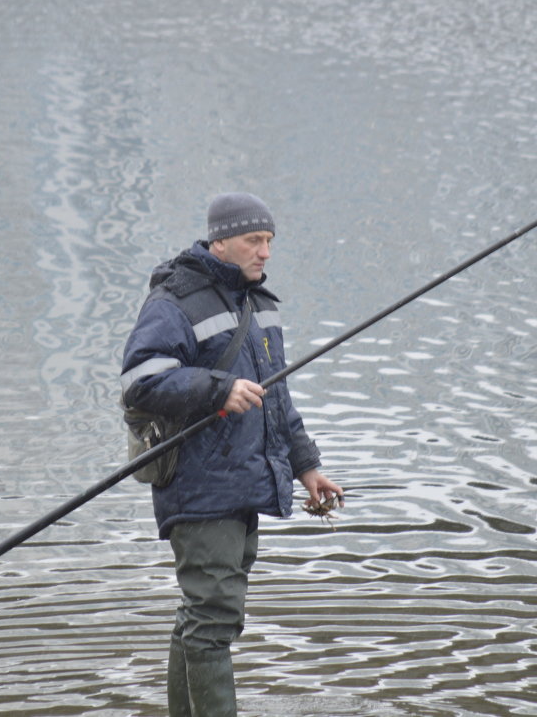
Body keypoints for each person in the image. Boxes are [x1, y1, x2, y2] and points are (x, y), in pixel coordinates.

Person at [119, 192, 343, 716]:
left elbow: (277, 398)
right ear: (220, 241)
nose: (265, 253)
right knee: (213, 619)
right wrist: (219, 388)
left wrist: (306, 466)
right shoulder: (175, 300)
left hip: (244, 481)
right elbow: (139, 380)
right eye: (253, 240)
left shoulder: (259, 305)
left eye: (269, 241)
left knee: (204, 616)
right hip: (200, 486)